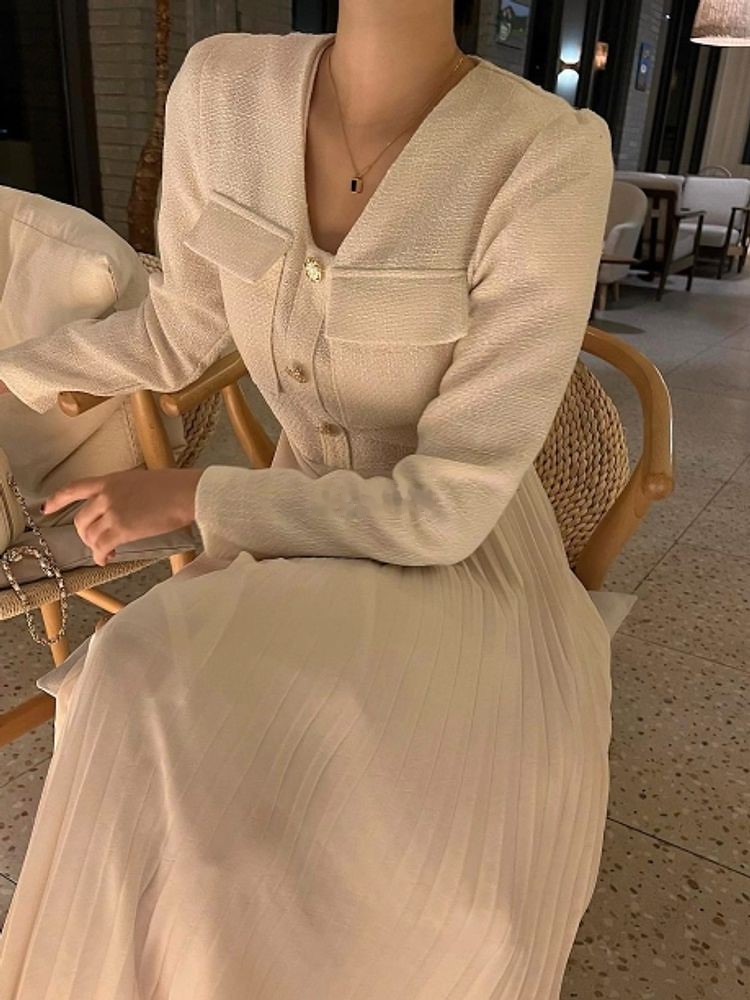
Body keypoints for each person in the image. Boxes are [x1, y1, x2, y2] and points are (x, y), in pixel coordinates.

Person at [0, 2, 615, 997]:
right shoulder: (220, 89)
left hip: (458, 559)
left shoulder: (546, 153)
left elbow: (448, 507)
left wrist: (197, 495)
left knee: (384, 864)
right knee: (137, 690)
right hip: (297, 525)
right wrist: (20, 370)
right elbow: (178, 329)